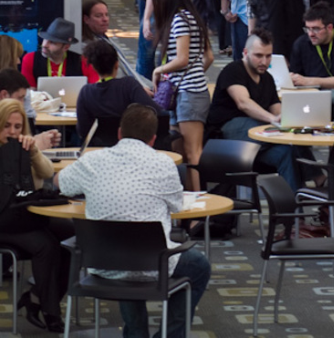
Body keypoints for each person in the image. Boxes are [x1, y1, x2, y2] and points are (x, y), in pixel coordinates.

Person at [59, 103, 211, 338]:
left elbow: (61, 183)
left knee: (124, 253)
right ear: (152, 139)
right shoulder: (163, 164)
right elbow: (176, 206)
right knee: (198, 267)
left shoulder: (92, 161)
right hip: (152, 265)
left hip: (102, 263)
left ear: (120, 133)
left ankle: (136, 333)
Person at [0, 98, 67, 332]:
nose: (12, 132)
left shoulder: (23, 148)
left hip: (25, 217)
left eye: (18, 127)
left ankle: (39, 297)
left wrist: (34, 151)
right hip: (4, 223)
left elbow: (47, 173)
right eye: (7, 126)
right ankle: (50, 311)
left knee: (70, 235)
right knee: (46, 245)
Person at [206, 30, 301, 190]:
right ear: (245, 53)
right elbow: (243, 102)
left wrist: (290, 120)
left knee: (288, 152)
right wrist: (273, 120)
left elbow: (277, 109)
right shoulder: (233, 70)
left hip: (257, 143)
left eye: (268, 56)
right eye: (258, 55)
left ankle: (292, 213)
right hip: (226, 136)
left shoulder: (267, 78)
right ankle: (319, 179)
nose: (264, 61)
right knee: (273, 132)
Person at [151, 0, 213, 189]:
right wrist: (194, 74)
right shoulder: (193, 17)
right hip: (191, 91)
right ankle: (188, 200)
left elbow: (182, 58)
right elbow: (209, 57)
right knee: (181, 151)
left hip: (189, 94)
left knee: (192, 152)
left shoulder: (179, 20)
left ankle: (196, 209)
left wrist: (160, 69)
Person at [76, 41, 166, 141]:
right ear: (117, 64)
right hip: (131, 144)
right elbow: (156, 112)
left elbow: (83, 131)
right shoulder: (128, 85)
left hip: (98, 147)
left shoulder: (86, 92)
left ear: (93, 67)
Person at [289, 2, 334, 119]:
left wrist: (308, 81)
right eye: (308, 29)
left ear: (329, 28)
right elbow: (294, 74)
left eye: (316, 29)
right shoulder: (301, 43)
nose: (311, 34)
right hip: (311, 98)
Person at [21, 17, 99, 87]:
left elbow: (96, 88)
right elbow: (29, 93)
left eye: (52, 42)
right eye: (45, 39)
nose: (44, 45)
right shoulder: (30, 59)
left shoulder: (82, 61)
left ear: (66, 47)